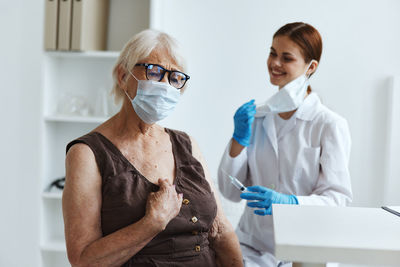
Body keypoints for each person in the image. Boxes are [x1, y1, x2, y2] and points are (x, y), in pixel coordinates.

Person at [62, 29, 243, 267]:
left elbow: (220, 231)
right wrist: (153, 222)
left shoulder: (187, 144)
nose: (165, 85)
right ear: (123, 76)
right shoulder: (87, 153)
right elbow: (83, 260)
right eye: (154, 72)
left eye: (175, 78)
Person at [218, 22, 352, 267]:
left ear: (311, 66)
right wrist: (238, 140)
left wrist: (289, 203)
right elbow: (230, 192)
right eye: (272, 53)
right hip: (254, 247)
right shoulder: (256, 118)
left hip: (308, 247)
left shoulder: (329, 124)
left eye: (286, 58)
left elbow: (337, 200)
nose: (275, 63)